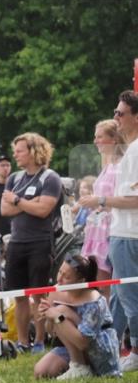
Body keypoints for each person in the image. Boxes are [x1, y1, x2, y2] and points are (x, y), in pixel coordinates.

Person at [1, 133, 62, 354]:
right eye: (15, 151)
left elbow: (43, 210)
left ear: (34, 151)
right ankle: (23, 341)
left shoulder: (50, 178)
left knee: (38, 295)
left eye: (20, 151)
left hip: (40, 242)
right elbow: (4, 209)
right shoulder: (14, 178)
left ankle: (39, 340)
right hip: (16, 242)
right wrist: (31, 202)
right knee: (19, 295)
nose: (15, 155)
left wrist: (18, 201)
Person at [34, 254, 120, 380]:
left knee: (61, 310)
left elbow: (83, 343)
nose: (59, 279)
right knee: (41, 372)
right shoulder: (56, 291)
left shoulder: (94, 301)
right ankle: (78, 366)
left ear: (81, 281)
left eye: (67, 277)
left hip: (98, 350)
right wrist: (47, 314)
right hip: (70, 346)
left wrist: (58, 316)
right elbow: (51, 332)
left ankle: (80, 367)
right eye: (60, 272)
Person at [107, 91, 138, 370]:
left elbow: (135, 200)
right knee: (119, 297)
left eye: (120, 113)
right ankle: (108, 350)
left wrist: (101, 201)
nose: (115, 117)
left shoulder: (136, 151)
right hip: (122, 232)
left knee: (130, 297)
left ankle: (136, 352)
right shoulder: (131, 150)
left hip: (129, 235)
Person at [78, 120, 128, 289]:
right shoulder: (108, 165)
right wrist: (91, 202)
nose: (95, 141)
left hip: (112, 229)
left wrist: (97, 201)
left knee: (111, 283)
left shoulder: (122, 166)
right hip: (98, 229)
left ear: (114, 139)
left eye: (99, 137)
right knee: (100, 282)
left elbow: (124, 200)